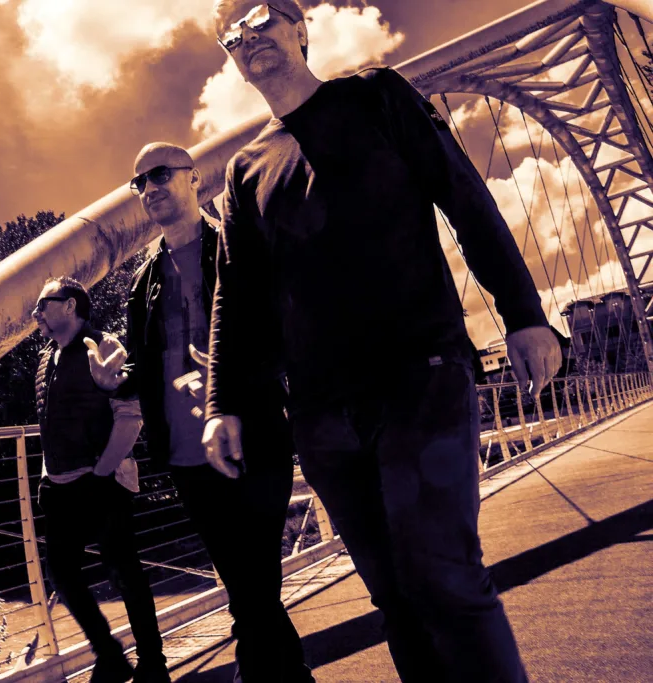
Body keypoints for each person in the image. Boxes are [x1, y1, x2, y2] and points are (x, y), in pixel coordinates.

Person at [201, 2, 564, 682]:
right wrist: (222, 402)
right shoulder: (244, 171)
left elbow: (464, 197)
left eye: (261, 17)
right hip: (322, 414)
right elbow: (235, 297)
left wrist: (524, 313)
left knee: (443, 575)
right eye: (232, 36)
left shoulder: (377, 96)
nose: (248, 38)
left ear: (299, 29)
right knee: (394, 597)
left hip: (419, 376)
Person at [85, 143, 314, 682]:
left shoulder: (239, 246)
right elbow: (147, 366)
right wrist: (116, 381)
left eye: (161, 173)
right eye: (139, 181)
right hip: (186, 456)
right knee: (247, 587)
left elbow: (288, 328)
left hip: (252, 435)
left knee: (254, 586)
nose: (149, 188)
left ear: (194, 178)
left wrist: (239, 366)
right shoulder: (144, 280)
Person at [32, 276, 171, 683]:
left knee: (125, 573)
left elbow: (130, 414)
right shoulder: (45, 358)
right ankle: (109, 653)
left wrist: (102, 472)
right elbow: (49, 424)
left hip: (102, 482)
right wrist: (46, 475)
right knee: (62, 574)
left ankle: (153, 664)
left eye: (44, 304)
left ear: (70, 305)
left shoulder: (104, 346)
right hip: (59, 487)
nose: (36, 313)